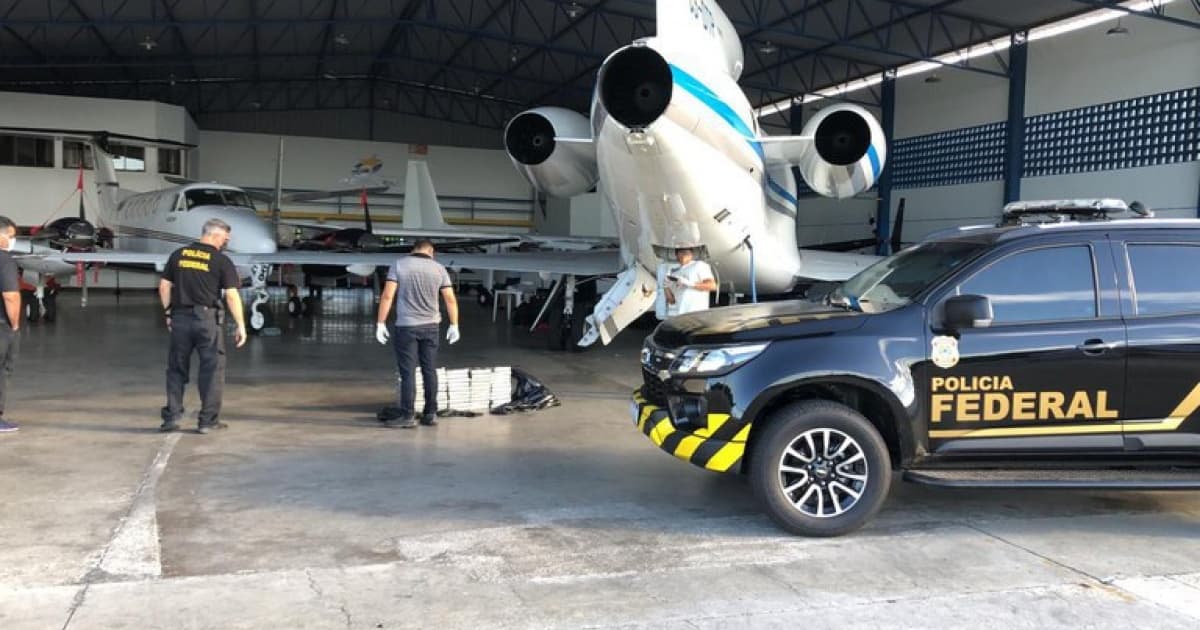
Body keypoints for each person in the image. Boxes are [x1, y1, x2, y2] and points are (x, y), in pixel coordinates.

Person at [158, 218, 247, 434]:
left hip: (180, 318)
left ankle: (171, 418)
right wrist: (241, 325)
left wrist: (169, 312)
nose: (225, 243)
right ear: (215, 236)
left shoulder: (178, 255)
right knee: (212, 370)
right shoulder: (221, 260)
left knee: (176, 369)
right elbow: (232, 296)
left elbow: (164, 286)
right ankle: (207, 421)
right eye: (225, 239)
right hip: (206, 320)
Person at [375, 239, 460, 428]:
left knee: (408, 372)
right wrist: (454, 324)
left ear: (414, 249)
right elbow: (450, 299)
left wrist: (380, 323)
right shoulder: (439, 269)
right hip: (431, 327)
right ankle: (430, 414)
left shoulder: (399, 265)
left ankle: (408, 416)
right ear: (431, 251)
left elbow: (388, 295)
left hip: (407, 327)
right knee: (429, 370)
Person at [0, 216, 22, 433]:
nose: (11, 241)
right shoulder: (4, 260)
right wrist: (14, 324)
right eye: (9, 236)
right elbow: (11, 297)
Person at [664, 247, 717, 316]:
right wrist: (665, 287)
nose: (684, 254)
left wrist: (689, 283)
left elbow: (712, 286)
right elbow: (672, 301)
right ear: (676, 254)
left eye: (687, 252)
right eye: (681, 252)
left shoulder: (699, 265)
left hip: (697, 315)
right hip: (679, 316)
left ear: (692, 254)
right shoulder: (674, 273)